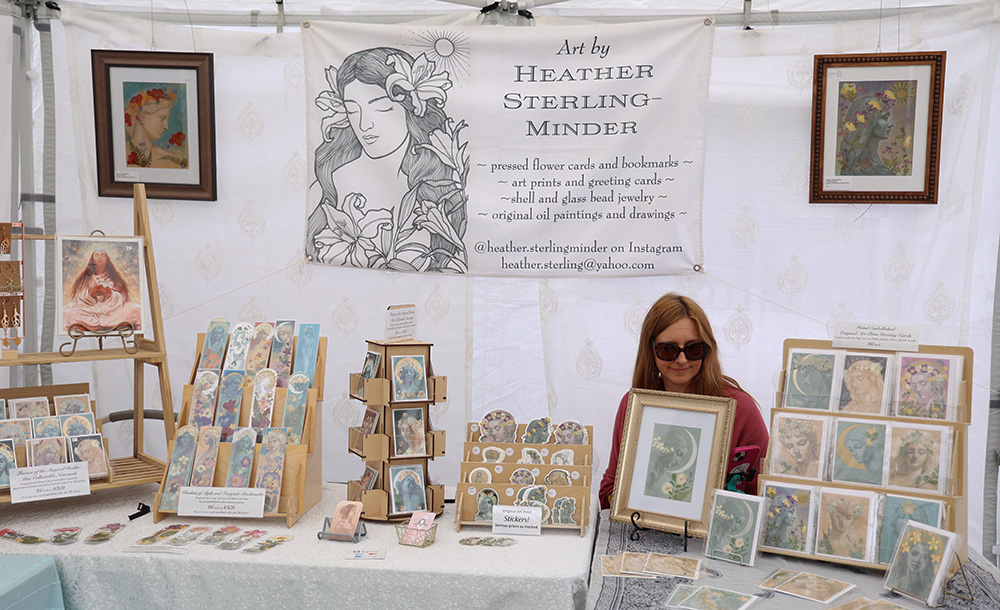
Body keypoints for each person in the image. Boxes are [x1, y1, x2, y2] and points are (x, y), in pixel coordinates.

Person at [307, 46, 469, 273]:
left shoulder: (440, 185)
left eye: (381, 107)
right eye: (352, 111)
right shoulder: (333, 179)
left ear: (411, 108)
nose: (364, 125)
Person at [599, 293, 769, 509]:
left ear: (707, 349)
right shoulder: (634, 404)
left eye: (693, 349)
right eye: (668, 349)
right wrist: (626, 501)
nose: (681, 360)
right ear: (651, 350)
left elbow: (761, 496)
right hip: (643, 532)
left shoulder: (741, 409)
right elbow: (609, 489)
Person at [62, 249, 142, 333]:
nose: (100, 257)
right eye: (97, 255)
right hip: (89, 312)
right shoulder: (85, 278)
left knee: (136, 308)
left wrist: (110, 294)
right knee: (65, 312)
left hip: (112, 313)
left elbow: (124, 298)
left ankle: (110, 324)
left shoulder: (115, 278)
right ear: (92, 259)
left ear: (107, 259)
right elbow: (79, 297)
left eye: (103, 255)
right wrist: (91, 295)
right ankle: (93, 325)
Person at [125, 86, 186, 169]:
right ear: (142, 116)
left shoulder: (170, 160)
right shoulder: (120, 153)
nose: (166, 126)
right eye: (162, 118)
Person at [839, 93, 895, 176]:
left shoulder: (849, 167)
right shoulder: (879, 172)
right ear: (869, 122)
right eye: (885, 118)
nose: (891, 123)